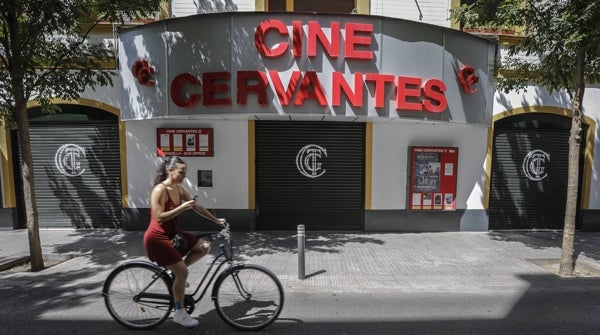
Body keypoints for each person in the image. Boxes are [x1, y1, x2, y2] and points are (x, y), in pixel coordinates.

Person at [143, 156, 224, 328]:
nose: (184, 176)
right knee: (182, 274)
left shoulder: (179, 189)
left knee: (204, 246)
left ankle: (178, 277)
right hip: (157, 238)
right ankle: (179, 312)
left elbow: (195, 206)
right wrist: (182, 207)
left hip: (172, 233)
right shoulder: (160, 190)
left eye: (185, 173)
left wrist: (215, 220)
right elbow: (158, 217)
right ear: (170, 170)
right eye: (181, 172)